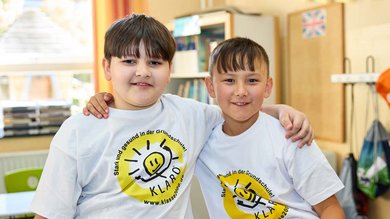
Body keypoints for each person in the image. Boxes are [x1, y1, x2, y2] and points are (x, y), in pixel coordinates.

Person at [32, 14, 312, 219]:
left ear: (169, 69)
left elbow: (237, 109)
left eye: (154, 62)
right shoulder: (78, 130)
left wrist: (283, 110)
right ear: (107, 68)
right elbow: (49, 213)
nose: (142, 71)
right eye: (129, 61)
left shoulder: (189, 114)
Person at [194, 37, 344, 218]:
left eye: (252, 81)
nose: (241, 91)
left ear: (267, 86)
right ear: (210, 86)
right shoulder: (200, 138)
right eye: (229, 80)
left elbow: (330, 208)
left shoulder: (291, 136)